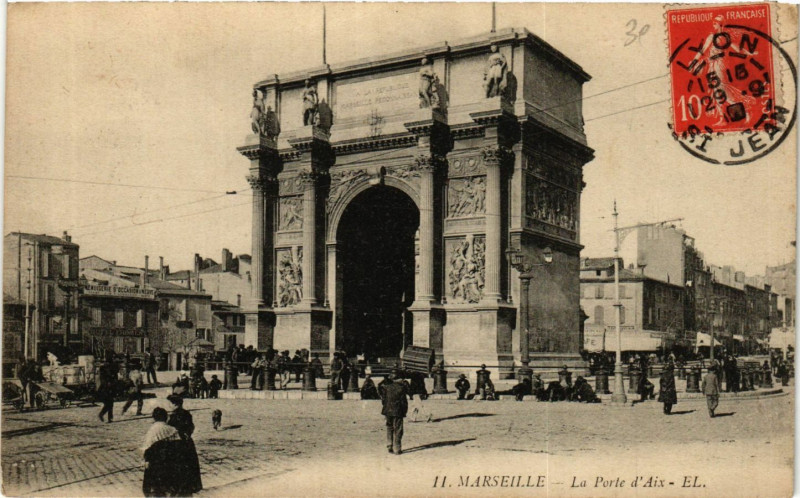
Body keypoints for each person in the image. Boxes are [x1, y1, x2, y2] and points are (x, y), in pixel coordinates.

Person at [167, 395, 203, 494]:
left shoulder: (174, 416)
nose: (169, 406)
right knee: (189, 466)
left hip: (178, 444)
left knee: (179, 466)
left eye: (170, 403)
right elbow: (191, 427)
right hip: (188, 443)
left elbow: (172, 430)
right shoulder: (186, 413)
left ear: (175, 404)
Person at [142, 407, 181, 497]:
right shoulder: (172, 430)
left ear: (154, 418)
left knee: (156, 488)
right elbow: (178, 447)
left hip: (156, 464)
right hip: (170, 463)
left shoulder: (152, 430)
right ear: (166, 417)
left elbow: (147, 448)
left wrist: (147, 461)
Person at [381, 371, 409, 455]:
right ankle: (397, 448)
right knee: (398, 429)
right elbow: (404, 402)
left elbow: (383, 400)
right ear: (398, 379)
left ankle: (389, 445)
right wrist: (404, 411)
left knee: (389, 427)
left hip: (387, 411)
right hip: (398, 411)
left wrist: (385, 409)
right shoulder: (402, 388)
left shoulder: (387, 387)